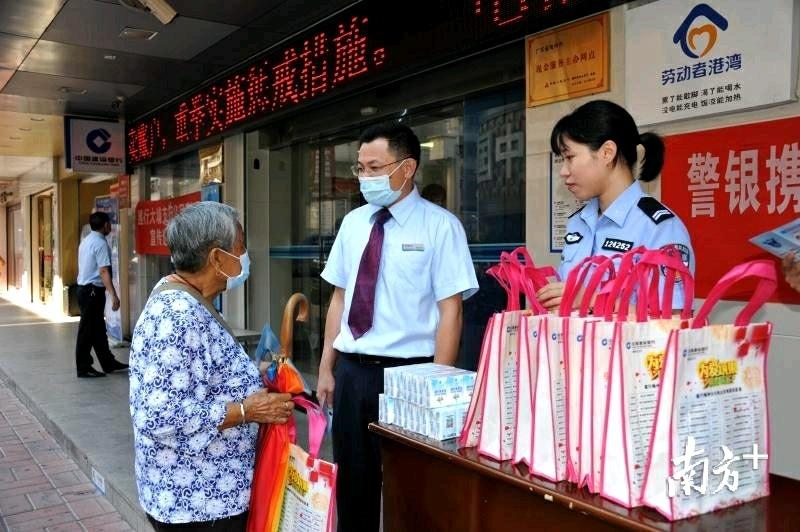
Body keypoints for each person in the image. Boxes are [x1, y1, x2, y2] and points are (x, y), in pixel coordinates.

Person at [317, 123, 478, 531]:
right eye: (360, 168)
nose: (364, 177)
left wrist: (436, 388)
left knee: (412, 486)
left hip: (410, 376)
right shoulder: (353, 224)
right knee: (353, 482)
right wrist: (325, 368)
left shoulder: (441, 227)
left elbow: (451, 313)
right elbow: (339, 299)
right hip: (353, 373)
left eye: (374, 167)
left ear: (407, 168)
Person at [129, 202, 294, 531]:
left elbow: (196, 375)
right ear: (217, 258)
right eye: (241, 246)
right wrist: (247, 410)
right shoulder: (177, 314)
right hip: (199, 505)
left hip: (209, 498)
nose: (246, 255)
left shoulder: (186, 296)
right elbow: (160, 416)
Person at [536, 100, 695, 311]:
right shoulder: (578, 222)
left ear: (607, 153)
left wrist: (591, 300)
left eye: (570, 157)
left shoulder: (659, 228)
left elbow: (674, 318)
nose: (563, 171)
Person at [75, 211, 127, 378]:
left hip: (84, 289)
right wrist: (114, 295)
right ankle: (83, 367)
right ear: (105, 225)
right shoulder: (100, 243)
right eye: (109, 224)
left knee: (97, 329)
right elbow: (104, 270)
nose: (110, 226)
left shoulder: (87, 241)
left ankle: (108, 362)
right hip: (91, 291)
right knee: (87, 330)